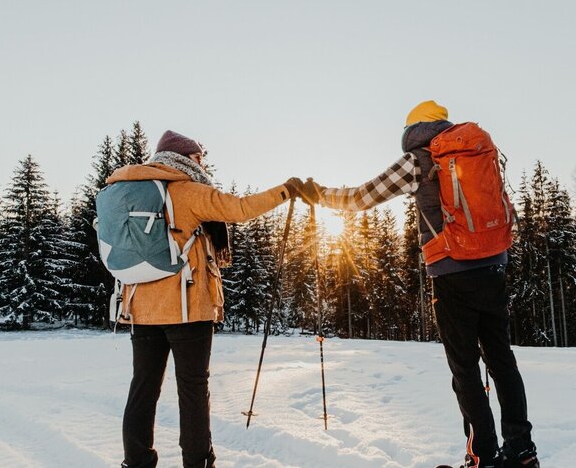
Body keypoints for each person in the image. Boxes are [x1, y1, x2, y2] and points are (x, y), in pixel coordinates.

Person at [308, 101, 539, 468]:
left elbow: (361, 198)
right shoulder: (474, 150)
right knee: (501, 360)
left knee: (465, 368)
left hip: (451, 272)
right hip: (494, 265)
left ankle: (484, 457)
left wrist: (317, 193)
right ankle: (522, 452)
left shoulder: (418, 159)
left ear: (412, 129)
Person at [111, 130, 318, 468]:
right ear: (185, 158)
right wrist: (287, 190)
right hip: (186, 307)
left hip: (141, 308)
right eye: (198, 159)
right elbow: (239, 208)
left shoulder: (130, 192)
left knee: (143, 388)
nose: (202, 164)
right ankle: (198, 463)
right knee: (192, 390)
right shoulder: (188, 191)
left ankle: (136, 462)